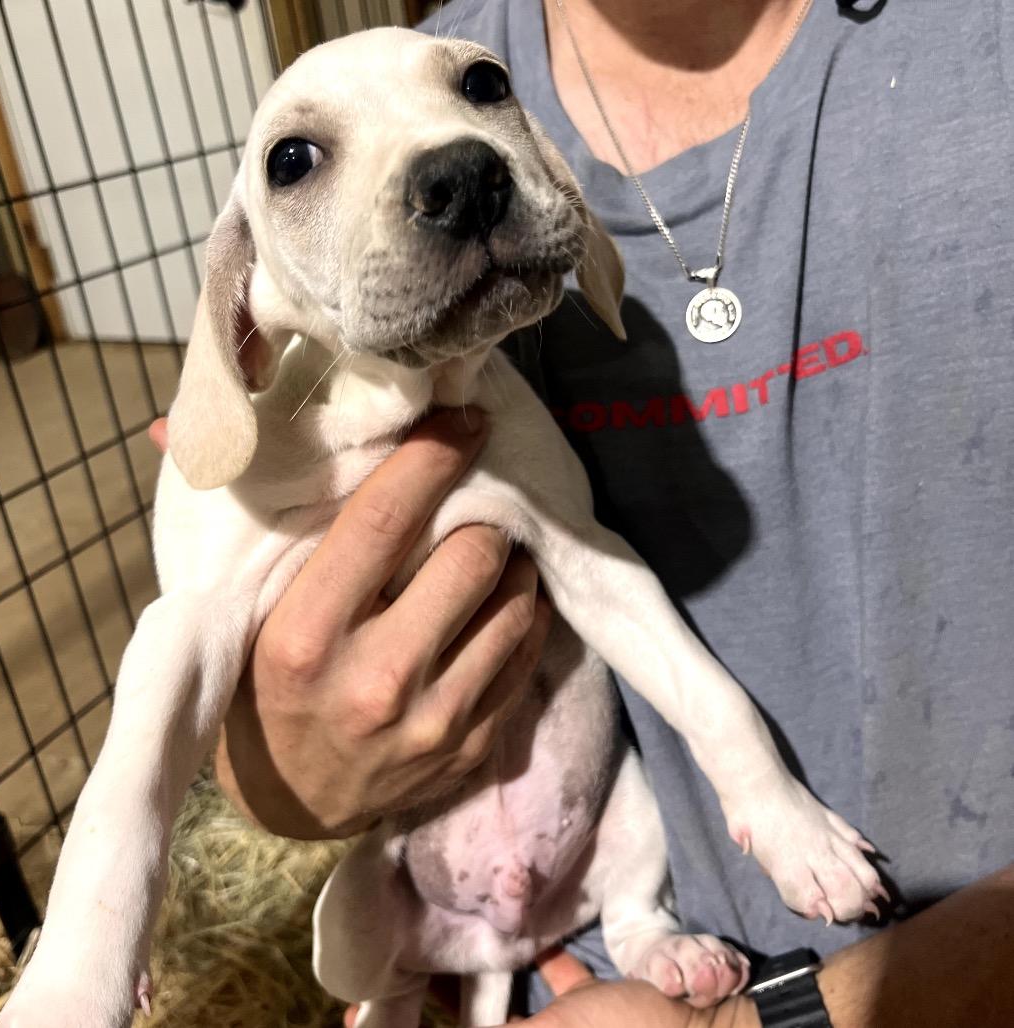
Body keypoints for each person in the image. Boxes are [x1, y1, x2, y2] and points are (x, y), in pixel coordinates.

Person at [158, 0, 1014, 1023]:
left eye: (478, 94)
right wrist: (277, 771)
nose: (455, 168)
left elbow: (594, 571)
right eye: (301, 160)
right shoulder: (447, 50)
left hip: (711, 945)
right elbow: (270, 737)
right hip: (558, 977)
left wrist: (778, 1017)